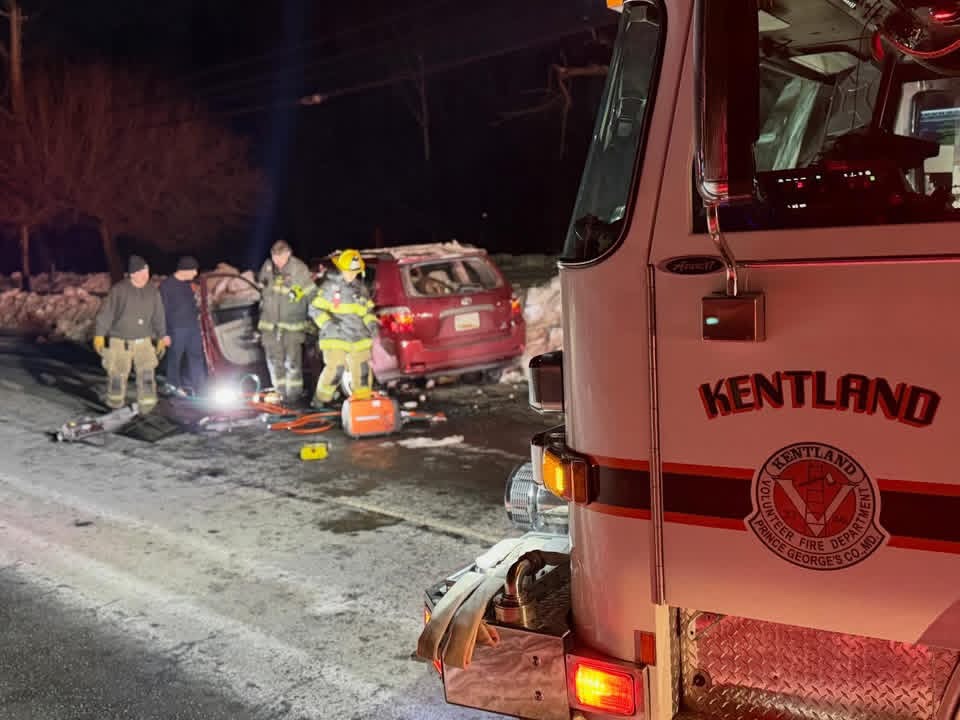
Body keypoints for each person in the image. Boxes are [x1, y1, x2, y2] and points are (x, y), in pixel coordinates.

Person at [93, 255, 170, 412]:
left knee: (147, 374)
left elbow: (159, 315)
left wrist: (162, 336)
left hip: (144, 343)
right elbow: (106, 314)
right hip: (120, 342)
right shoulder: (119, 290)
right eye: (142, 271)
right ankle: (115, 404)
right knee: (117, 375)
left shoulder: (152, 291)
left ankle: (147, 406)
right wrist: (99, 335)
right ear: (133, 273)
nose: (145, 275)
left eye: (147, 271)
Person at [309, 249, 379, 408]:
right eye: (349, 271)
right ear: (341, 269)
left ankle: (363, 404)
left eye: (355, 272)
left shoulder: (361, 289)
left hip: (358, 337)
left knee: (362, 372)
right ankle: (320, 401)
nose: (352, 275)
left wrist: (372, 325)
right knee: (336, 369)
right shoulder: (329, 288)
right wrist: (328, 324)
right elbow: (315, 309)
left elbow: (367, 312)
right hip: (336, 336)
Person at [257, 240, 316, 405]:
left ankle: (294, 397)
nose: (277, 261)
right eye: (274, 257)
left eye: (280, 257)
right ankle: (279, 394)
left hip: (292, 326)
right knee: (274, 361)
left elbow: (312, 295)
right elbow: (261, 290)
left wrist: (318, 317)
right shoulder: (267, 267)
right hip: (269, 326)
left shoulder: (299, 269)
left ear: (288, 254)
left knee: (292, 363)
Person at [159, 256, 205, 396]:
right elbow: (161, 311)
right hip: (176, 330)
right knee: (175, 358)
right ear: (185, 270)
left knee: (196, 357)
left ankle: (201, 388)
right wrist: (164, 333)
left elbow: (190, 305)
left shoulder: (187, 284)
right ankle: (173, 386)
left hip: (192, 328)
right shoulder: (166, 286)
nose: (195, 274)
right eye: (194, 271)